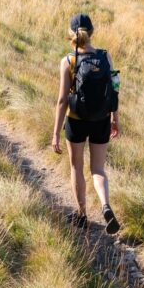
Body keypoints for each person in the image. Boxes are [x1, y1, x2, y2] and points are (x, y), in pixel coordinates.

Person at [52, 13, 121, 234]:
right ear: (91, 33)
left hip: (76, 121)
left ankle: (82, 214)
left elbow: (62, 100)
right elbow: (114, 90)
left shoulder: (68, 61)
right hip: (101, 119)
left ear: (71, 34)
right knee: (98, 169)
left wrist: (55, 133)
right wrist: (114, 118)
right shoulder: (105, 56)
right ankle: (105, 205)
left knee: (77, 168)